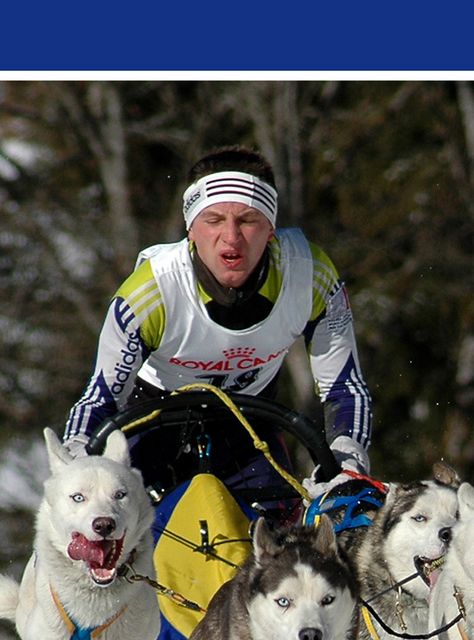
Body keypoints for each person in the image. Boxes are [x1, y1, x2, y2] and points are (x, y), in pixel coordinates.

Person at [61, 146, 372, 503]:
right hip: (148, 429)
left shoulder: (310, 275)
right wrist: (77, 461)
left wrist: (347, 462)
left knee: (296, 543)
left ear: (271, 229)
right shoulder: (150, 293)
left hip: (249, 431)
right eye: (214, 221)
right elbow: (100, 399)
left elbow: (344, 387)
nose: (231, 237)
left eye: (248, 220)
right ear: (191, 229)